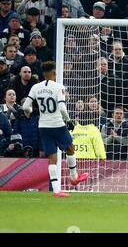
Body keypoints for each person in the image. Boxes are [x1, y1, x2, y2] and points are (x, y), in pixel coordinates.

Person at [22, 61, 88, 197]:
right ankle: (74, 177)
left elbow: (25, 107)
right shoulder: (59, 86)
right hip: (57, 124)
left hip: (43, 126)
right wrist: (68, 121)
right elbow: (62, 108)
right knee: (70, 148)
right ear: (54, 73)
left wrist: (31, 110)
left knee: (52, 158)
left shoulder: (35, 87)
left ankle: (57, 190)